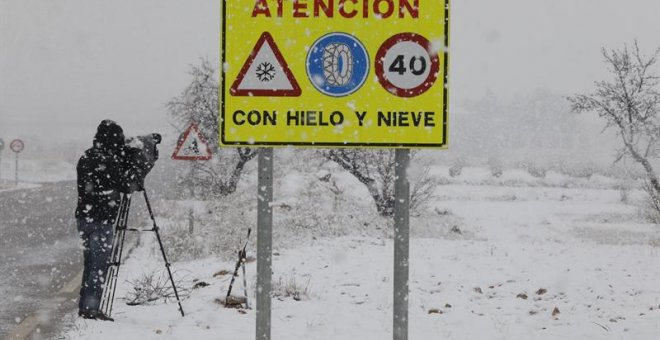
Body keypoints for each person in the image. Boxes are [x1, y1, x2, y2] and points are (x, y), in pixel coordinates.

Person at [75, 120, 129, 321]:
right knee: (99, 266)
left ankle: (85, 306)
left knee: (90, 263)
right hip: (101, 219)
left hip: (84, 216)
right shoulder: (108, 160)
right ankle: (91, 309)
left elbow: (88, 186)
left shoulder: (86, 156)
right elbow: (123, 184)